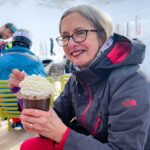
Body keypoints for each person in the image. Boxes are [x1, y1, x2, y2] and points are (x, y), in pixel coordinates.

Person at [8, 4, 150, 150]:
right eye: (65, 37)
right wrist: (26, 93)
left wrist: (62, 134)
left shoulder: (131, 80)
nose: (71, 43)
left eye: (80, 33)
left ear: (102, 35)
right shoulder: (77, 78)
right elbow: (49, 122)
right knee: (30, 146)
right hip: (89, 141)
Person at [0, 29, 46, 128]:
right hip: (31, 111)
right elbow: (44, 83)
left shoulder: (1, 60)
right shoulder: (36, 61)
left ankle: (16, 121)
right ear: (29, 43)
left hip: (7, 109)